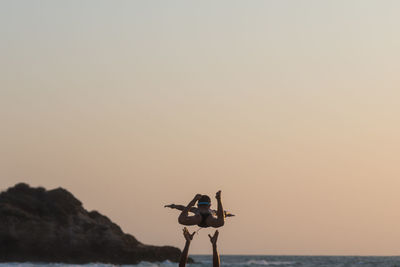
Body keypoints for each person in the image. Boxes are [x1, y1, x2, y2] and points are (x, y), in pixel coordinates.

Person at [165, 191, 233, 228]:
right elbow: (223, 213)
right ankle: (219, 200)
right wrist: (229, 214)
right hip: (210, 218)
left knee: (181, 220)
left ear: (198, 205)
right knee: (221, 221)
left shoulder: (195, 209)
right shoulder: (213, 211)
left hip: (198, 217)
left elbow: (181, 207)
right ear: (209, 205)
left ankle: (194, 200)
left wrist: (173, 206)